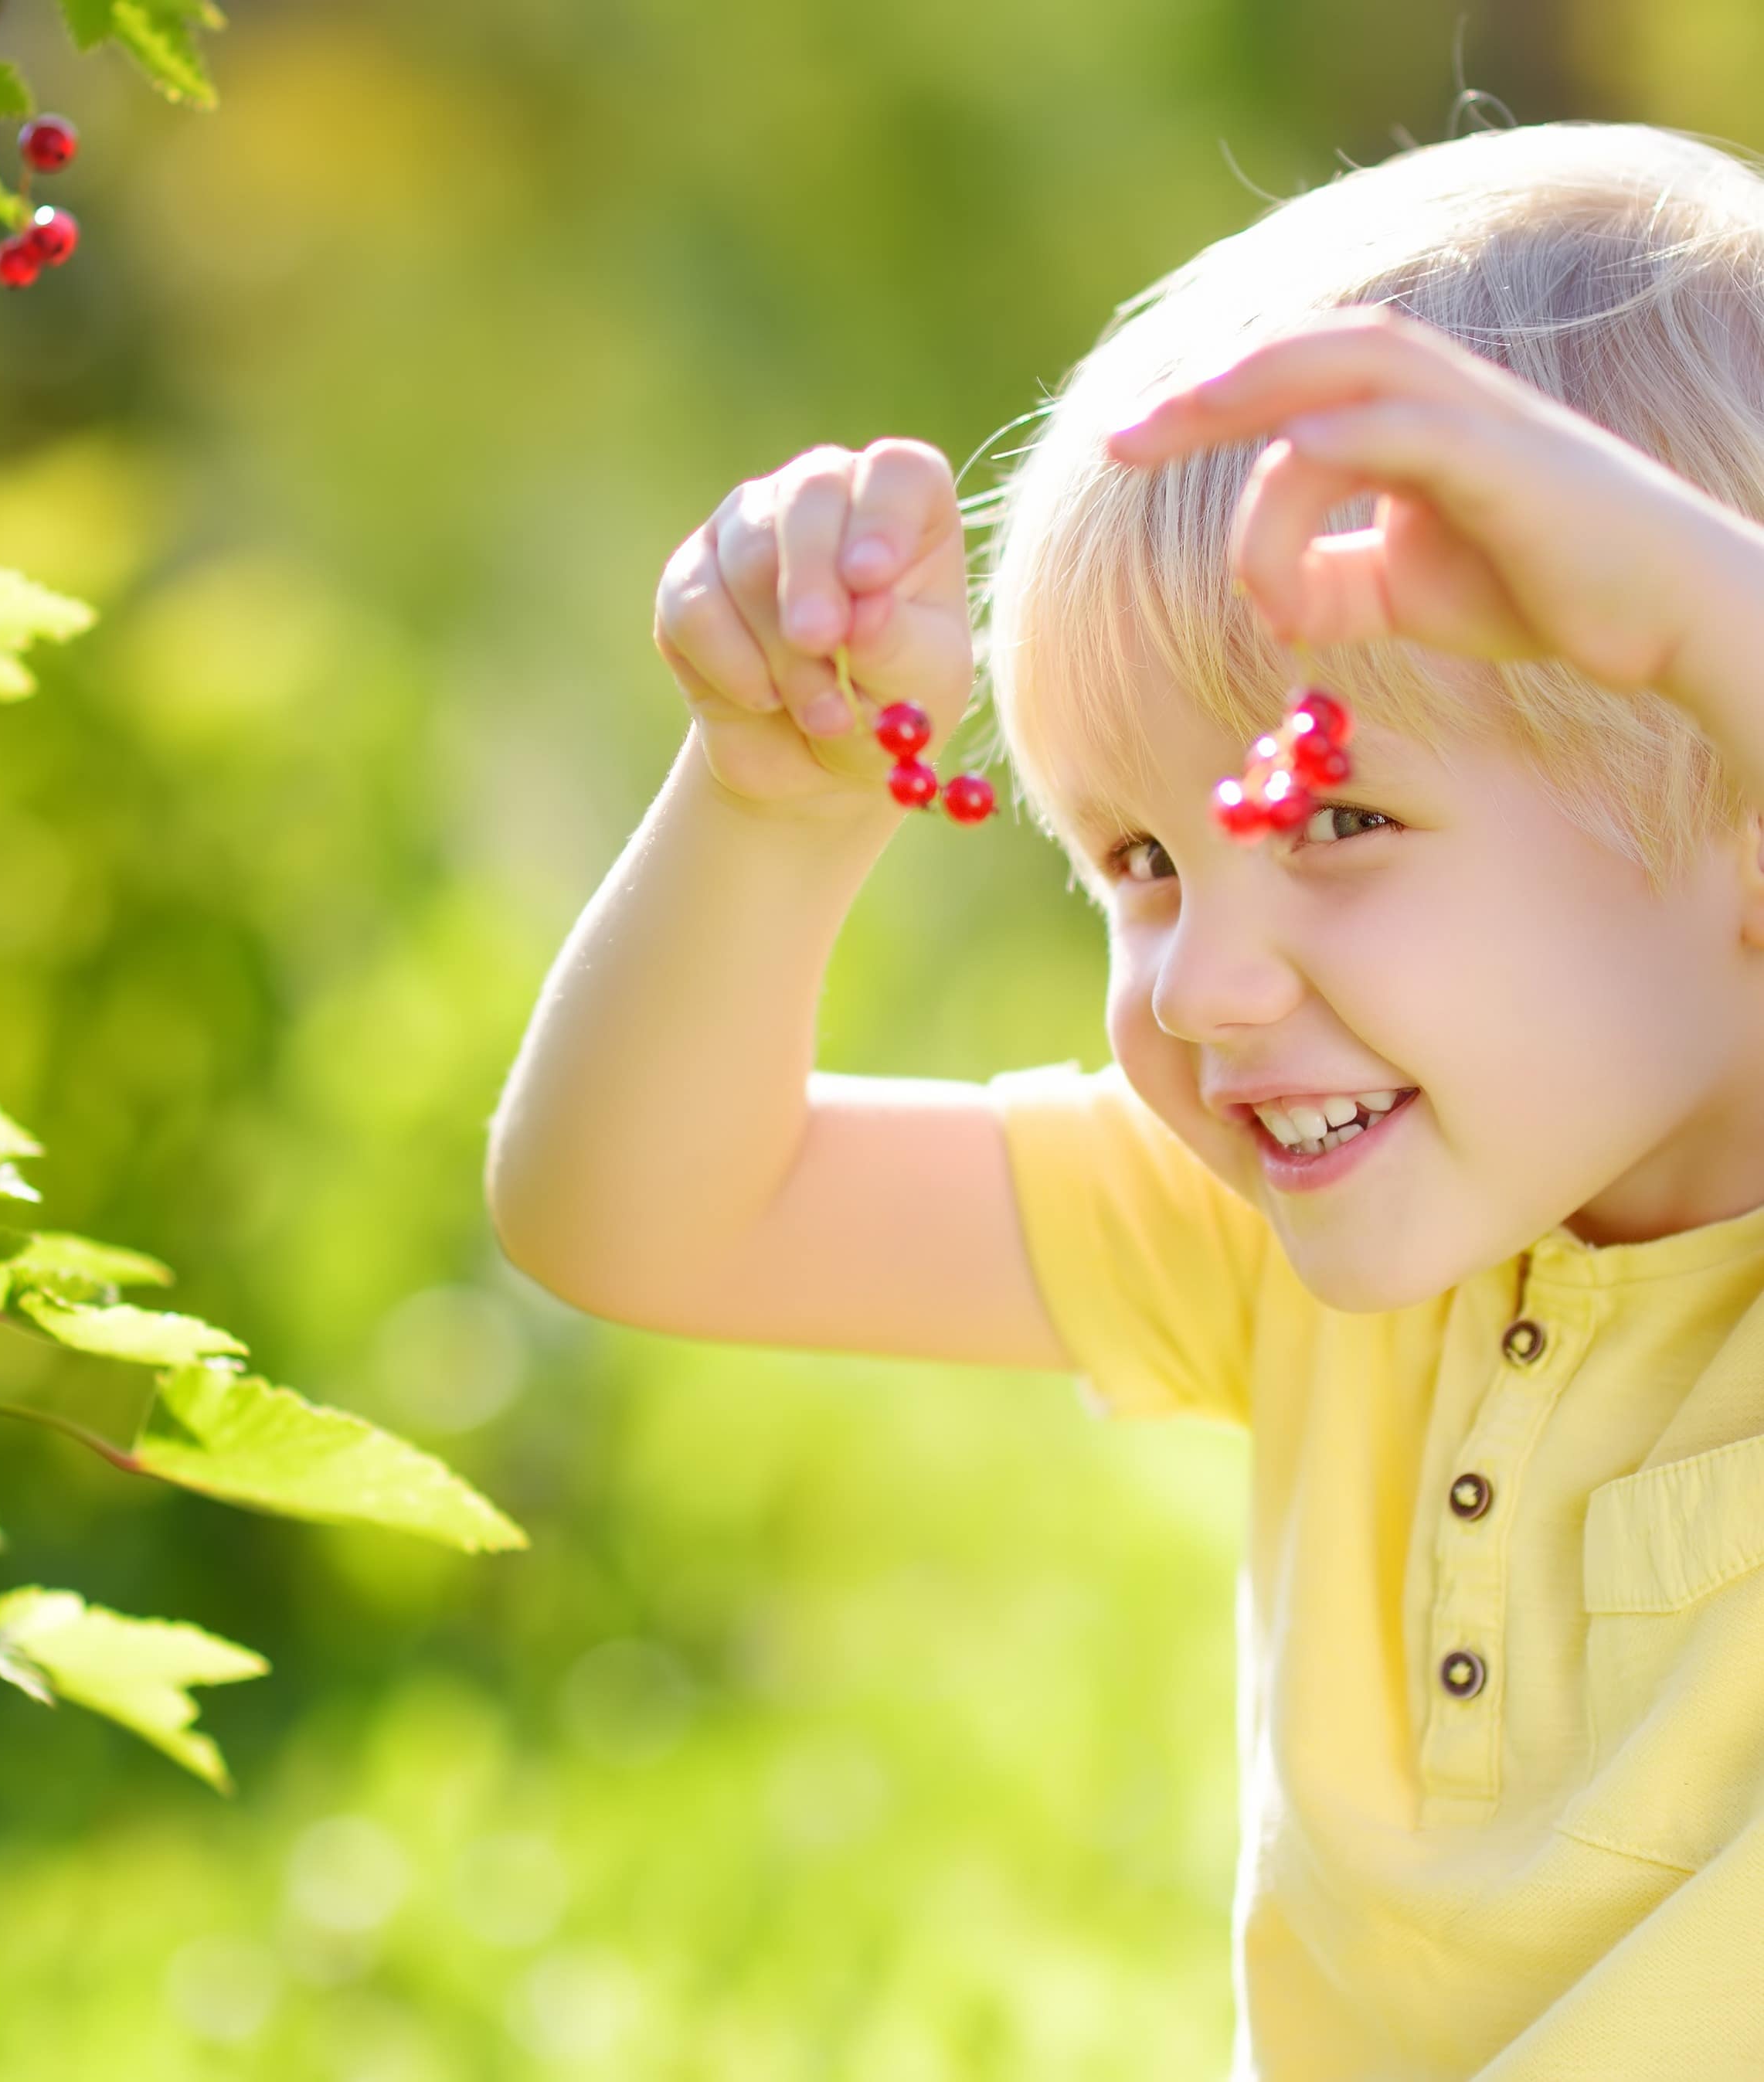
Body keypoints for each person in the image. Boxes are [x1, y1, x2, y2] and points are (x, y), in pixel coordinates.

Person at [484, 118, 1764, 2077]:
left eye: (1338, 817)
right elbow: (635, 1217)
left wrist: (1699, 610)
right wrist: (773, 803)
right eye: (1145, 862)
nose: (1206, 982)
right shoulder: (1289, 1219)